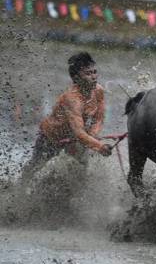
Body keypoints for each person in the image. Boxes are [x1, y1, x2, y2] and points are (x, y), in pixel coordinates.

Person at [21, 52, 112, 181]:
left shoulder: (99, 90)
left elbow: (99, 118)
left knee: (82, 170)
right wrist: (100, 146)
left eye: (94, 72)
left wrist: (93, 134)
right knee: (35, 166)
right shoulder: (72, 99)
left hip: (73, 139)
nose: (94, 77)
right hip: (51, 137)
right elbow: (80, 132)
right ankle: (20, 186)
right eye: (88, 73)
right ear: (76, 78)